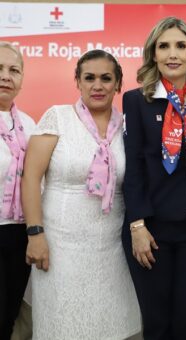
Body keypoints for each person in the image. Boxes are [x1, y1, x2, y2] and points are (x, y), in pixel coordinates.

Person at [21, 49, 140, 339]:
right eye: (89, 78)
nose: (97, 86)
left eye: (105, 78)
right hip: (59, 248)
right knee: (61, 324)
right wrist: (35, 234)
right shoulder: (57, 117)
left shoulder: (127, 126)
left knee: (109, 324)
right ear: (77, 81)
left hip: (112, 250)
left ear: (118, 84)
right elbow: (31, 177)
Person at [122, 17, 186, 340]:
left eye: (181, 46)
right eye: (163, 46)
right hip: (153, 230)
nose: (172, 53)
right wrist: (137, 225)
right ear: (153, 54)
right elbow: (134, 165)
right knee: (158, 325)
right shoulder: (136, 101)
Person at [0, 41, 35, 340]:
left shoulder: (29, 124)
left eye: (13, 70)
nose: (6, 76)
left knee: (9, 317)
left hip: (19, 234)